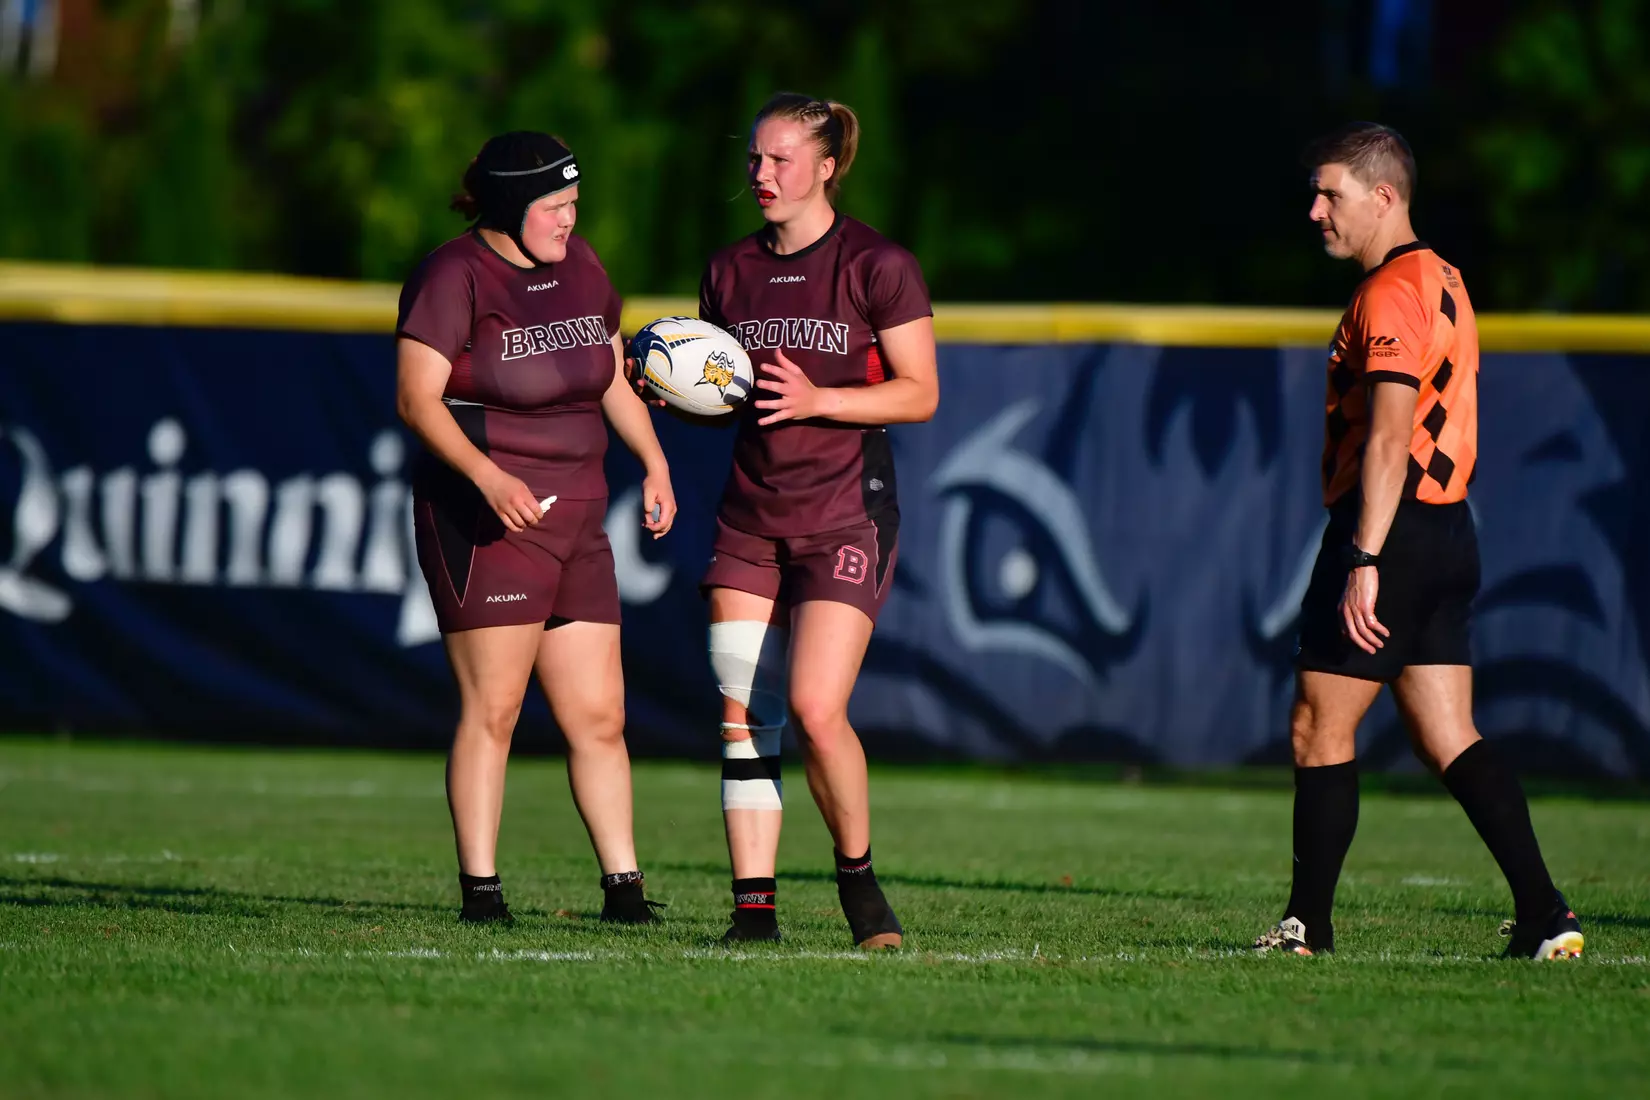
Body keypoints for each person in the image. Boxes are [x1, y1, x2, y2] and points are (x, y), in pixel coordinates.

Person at [1252, 122, 1583, 960]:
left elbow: (1390, 437)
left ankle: (1305, 927)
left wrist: (1363, 557)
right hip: (1446, 532)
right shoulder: (1446, 278)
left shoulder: (1389, 292)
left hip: (1392, 534)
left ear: (1384, 196)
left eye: (1333, 194)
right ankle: (1547, 913)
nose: (1316, 210)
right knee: (1448, 737)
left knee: (1317, 728)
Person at [634, 93, 939, 947]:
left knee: (812, 707)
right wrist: (666, 386)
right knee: (742, 713)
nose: (761, 175)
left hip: (845, 513)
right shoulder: (729, 270)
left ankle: (858, 880)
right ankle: (753, 913)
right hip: (750, 518)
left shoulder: (879, 264)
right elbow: (731, 399)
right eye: (754, 160)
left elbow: (920, 393)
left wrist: (821, 397)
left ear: (827, 166)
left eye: (779, 160)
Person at [395, 131, 677, 926]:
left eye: (574, 204)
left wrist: (654, 461)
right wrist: (488, 476)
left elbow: (612, 371)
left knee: (600, 717)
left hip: (580, 520)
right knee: (496, 711)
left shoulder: (581, 265)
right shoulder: (454, 275)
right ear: (513, 208)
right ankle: (481, 893)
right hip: (489, 518)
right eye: (555, 206)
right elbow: (417, 400)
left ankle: (624, 890)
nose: (569, 220)